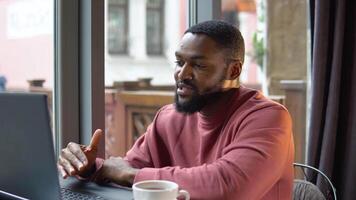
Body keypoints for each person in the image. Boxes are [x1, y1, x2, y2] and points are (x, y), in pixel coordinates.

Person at [58, 20, 294, 200]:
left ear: (233, 71)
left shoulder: (269, 117)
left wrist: (131, 176)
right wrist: (91, 168)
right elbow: (124, 171)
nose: (182, 74)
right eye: (180, 62)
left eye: (198, 65)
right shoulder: (168, 118)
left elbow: (230, 186)